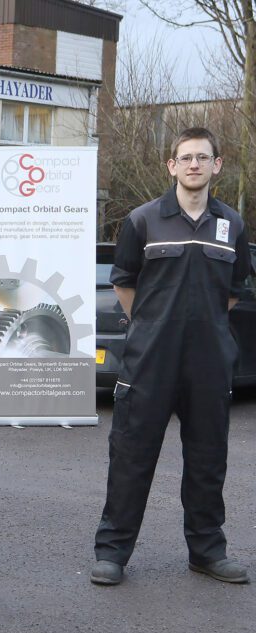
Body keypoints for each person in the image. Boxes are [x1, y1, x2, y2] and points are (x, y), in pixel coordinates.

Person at [91, 128, 251, 586]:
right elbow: (125, 283)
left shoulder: (232, 225)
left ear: (217, 165)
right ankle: (112, 552)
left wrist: (202, 328)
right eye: (186, 157)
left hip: (208, 363)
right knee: (131, 457)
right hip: (149, 362)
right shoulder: (143, 220)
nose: (194, 164)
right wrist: (152, 327)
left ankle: (207, 551)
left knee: (207, 461)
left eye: (203, 157)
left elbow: (234, 291)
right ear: (172, 166)